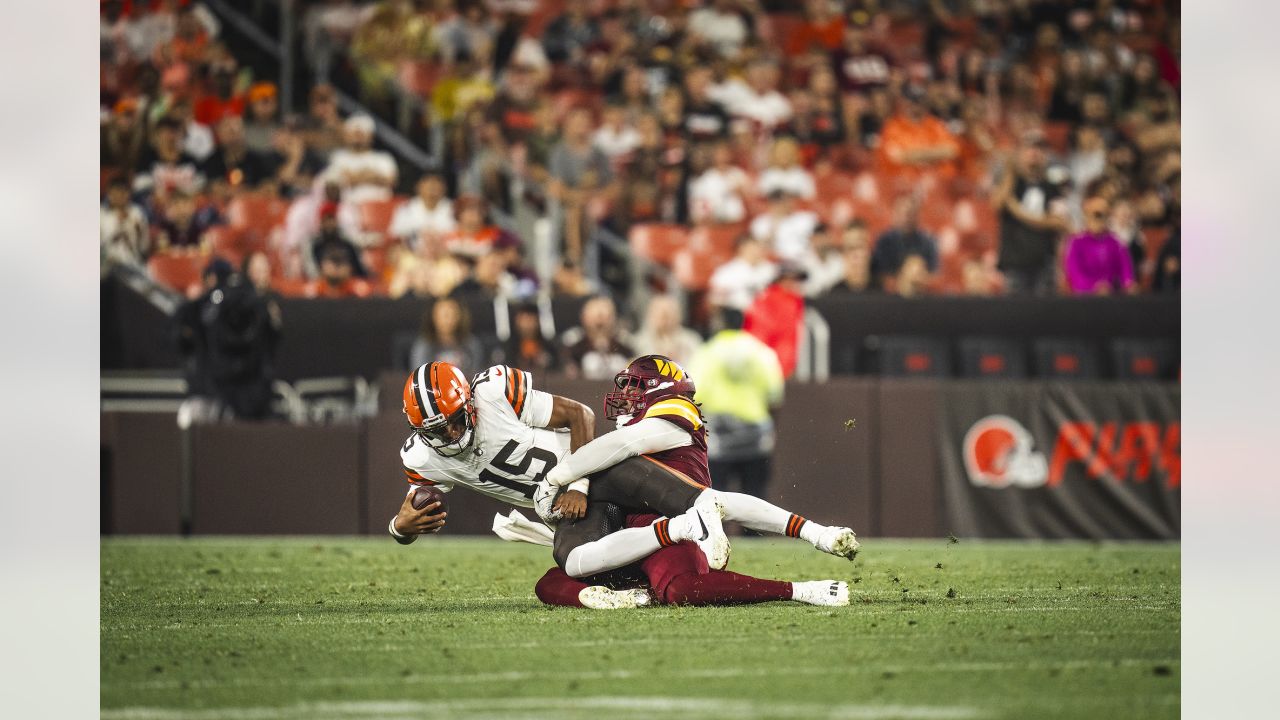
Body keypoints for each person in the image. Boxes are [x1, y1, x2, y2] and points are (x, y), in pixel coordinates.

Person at [388, 358, 856, 608]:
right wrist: (400, 527)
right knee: (567, 565)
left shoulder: (493, 391)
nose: (450, 435)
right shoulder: (424, 457)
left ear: (468, 403)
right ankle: (677, 536)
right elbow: (411, 516)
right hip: (564, 506)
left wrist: (577, 482)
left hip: (590, 480)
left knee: (700, 503)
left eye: (453, 421)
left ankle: (806, 533)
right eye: (437, 430)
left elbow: (580, 415)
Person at [689, 314, 785, 501]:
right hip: (755, 436)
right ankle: (752, 531)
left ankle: (716, 530)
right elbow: (775, 394)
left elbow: (694, 394)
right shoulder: (760, 352)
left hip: (718, 437)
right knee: (755, 499)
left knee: (714, 501)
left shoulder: (707, 352)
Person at [175, 259, 279, 421]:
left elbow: (273, 343)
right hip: (210, 389)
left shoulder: (259, 306)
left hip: (252, 391)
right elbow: (179, 340)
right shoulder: (203, 308)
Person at [992, 135, 1071, 294]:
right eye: (1029, 148)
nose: (1034, 153)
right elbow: (997, 204)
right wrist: (1010, 170)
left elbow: (1060, 222)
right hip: (1015, 262)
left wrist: (1019, 212)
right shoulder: (1012, 184)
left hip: (1044, 261)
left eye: (1040, 149)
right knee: (1015, 314)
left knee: (1044, 314)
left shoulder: (1052, 186)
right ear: (1020, 153)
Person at [876, 84, 960, 182]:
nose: (915, 105)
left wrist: (916, 156)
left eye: (919, 101)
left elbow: (952, 150)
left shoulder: (934, 124)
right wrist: (935, 156)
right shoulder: (892, 127)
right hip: (907, 184)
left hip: (940, 182)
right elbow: (897, 157)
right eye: (912, 101)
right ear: (903, 102)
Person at [744, 264, 808, 378]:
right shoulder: (767, 300)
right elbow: (760, 335)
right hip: (770, 366)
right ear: (780, 280)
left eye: (797, 280)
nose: (795, 284)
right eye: (790, 280)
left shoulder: (796, 301)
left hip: (788, 364)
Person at [1063, 197, 1136, 295]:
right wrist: (1094, 287)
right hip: (1084, 297)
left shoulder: (1116, 242)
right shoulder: (1076, 242)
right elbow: (1075, 274)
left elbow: (1126, 270)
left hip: (1112, 296)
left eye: (1104, 215)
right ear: (1087, 216)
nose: (1099, 219)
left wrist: (1128, 284)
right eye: (1096, 215)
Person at [321, 114, 398, 205]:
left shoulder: (383, 158)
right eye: (355, 133)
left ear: (371, 136)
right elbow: (332, 185)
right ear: (346, 135)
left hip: (378, 209)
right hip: (346, 208)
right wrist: (372, 175)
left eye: (361, 133)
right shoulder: (338, 157)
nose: (358, 137)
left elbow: (391, 181)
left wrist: (354, 178)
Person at [869, 196, 939, 289]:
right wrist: (904, 278)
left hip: (922, 292)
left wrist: (918, 276)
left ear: (916, 216)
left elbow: (934, 274)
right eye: (902, 213)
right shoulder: (884, 241)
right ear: (895, 214)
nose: (906, 218)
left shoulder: (927, 242)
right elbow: (880, 274)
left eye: (909, 213)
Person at [559, 295, 634, 380]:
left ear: (614, 318)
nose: (600, 322)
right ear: (583, 318)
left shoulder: (625, 345)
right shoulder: (573, 345)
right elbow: (567, 373)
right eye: (594, 317)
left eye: (606, 317)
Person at [408, 297, 485, 372]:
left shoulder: (471, 343)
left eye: (451, 314)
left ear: (459, 316)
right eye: (442, 315)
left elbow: (476, 374)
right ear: (432, 317)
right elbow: (419, 377)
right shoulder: (423, 346)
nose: (447, 320)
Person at [708, 235, 778, 314]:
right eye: (753, 247)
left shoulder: (771, 269)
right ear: (742, 249)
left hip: (769, 313)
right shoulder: (726, 272)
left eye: (759, 247)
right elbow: (716, 300)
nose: (758, 251)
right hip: (739, 313)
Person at [749, 188, 820, 264]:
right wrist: (774, 224)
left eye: (788, 200)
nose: (786, 204)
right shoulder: (761, 223)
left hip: (807, 258)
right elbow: (761, 248)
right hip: (779, 262)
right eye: (780, 202)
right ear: (771, 204)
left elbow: (820, 239)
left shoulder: (807, 218)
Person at [629, 296, 703, 366]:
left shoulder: (691, 340)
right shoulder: (638, 343)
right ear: (649, 317)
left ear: (678, 316)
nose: (664, 320)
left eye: (668, 315)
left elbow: (699, 366)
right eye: (659, 314)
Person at [389, 173, 456, 249]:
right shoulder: (406, 207)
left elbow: (458, 234)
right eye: (428, 184)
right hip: (413, 252)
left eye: (436, 185)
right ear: (418, 187)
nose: (432, 188)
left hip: (444, 252)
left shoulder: (453, 208)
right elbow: (396, 234)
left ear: (444, 189)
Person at [101, 179, 150, 269]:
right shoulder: (101, 215)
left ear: (129, 194)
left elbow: (144, 246)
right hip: (108, 265)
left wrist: (138, 229)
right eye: (116, 193)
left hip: (133, 263)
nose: (119, 197)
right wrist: (118, 225)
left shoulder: (137, 212)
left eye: (123, 193)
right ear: (109, 194)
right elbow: (101, 247)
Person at [498, 302, 556, 372]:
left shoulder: (548, 347)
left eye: (531, 320)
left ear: (538, 321)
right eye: (525, 320)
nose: (528, 325)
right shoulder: (507, 347)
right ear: (517, 321)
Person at [306, 243, 372, 299]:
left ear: (350, 268)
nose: (336, 267)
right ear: (322, 266)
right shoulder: (314, 290)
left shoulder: (358, 289)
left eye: (341, 262)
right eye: (332, 261)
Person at [825, 221, 872, 294]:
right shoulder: (834, 293)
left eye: (860, 246)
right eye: (851, 248)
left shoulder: (881, 290)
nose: (856, 254)